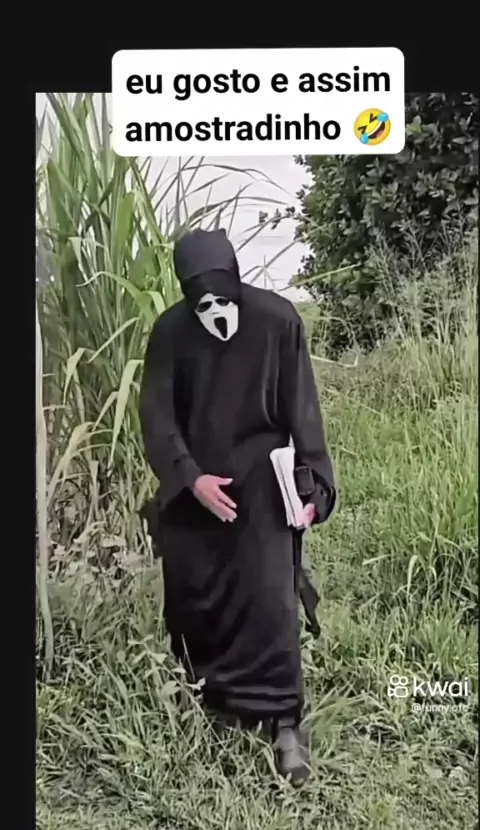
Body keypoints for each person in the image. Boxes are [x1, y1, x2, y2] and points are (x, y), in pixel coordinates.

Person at [139, 228, 336, 783]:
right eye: (202, 305)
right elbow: (157, 417)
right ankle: (216, 702)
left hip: (264, 484)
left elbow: (303, 412)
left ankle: (285, 722)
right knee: (196, 598)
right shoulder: (170, 333)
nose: (215, 313)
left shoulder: (278, 321)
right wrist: (191, 479)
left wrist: (313, 491)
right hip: (197, 487)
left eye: (223, 300)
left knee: (271, 600)